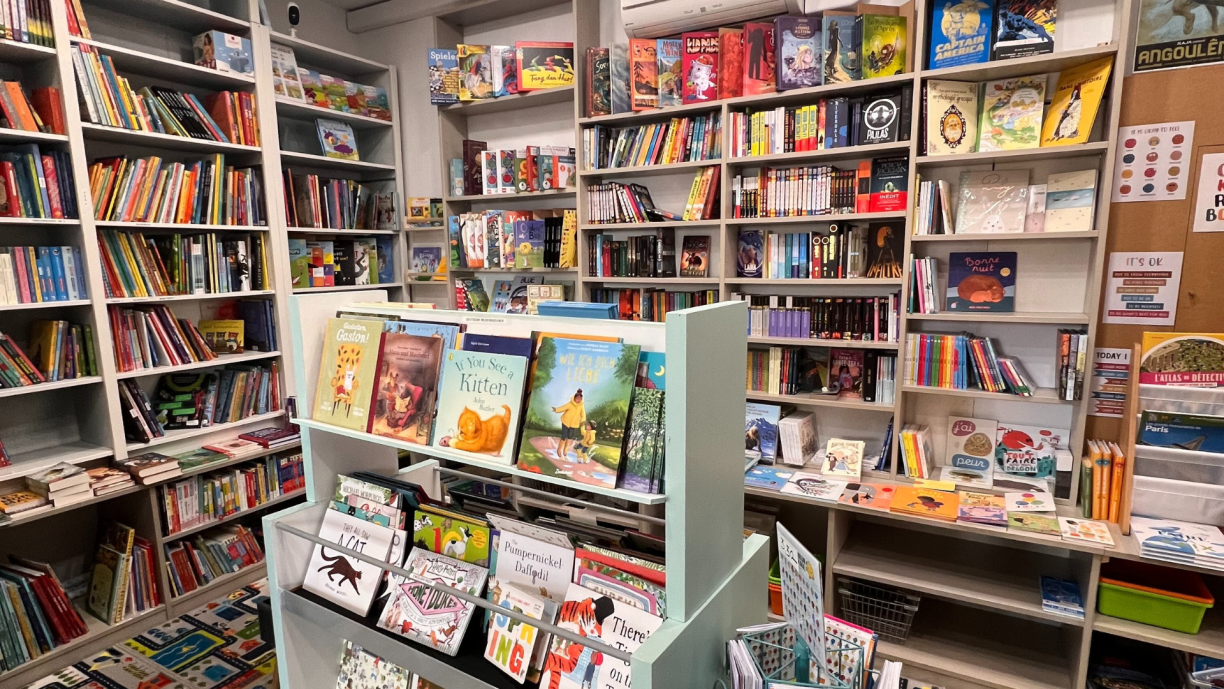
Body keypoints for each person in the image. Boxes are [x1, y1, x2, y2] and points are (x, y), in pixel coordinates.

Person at [552, 389, 585, 461]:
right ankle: (559, 449)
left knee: (570, 437)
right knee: (564, 436)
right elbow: (563, 408)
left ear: (581, 399)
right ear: (575, 398)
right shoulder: (570, 404)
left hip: (574, 424)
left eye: (580, 399)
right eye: (577, 398)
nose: (578, 400)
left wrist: (583, 421)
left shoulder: (581, 406)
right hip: (566, 422)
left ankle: (565, 450)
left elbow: (583, 415)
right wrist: (556, 409)